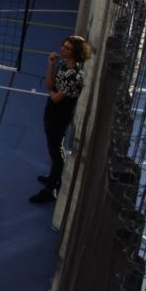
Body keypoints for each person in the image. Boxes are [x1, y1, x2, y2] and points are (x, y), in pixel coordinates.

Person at [30, 36, 92, 204]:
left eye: (67, 48)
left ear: (75, 53)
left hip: (60, 116)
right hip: (51, 111)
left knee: (56, 152)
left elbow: (56, 97)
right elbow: (50, 85)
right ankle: (53, 177)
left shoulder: (75, 76)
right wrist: (51, 64)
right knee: (53, 148)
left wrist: (52, 92)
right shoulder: (63, 64)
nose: (62, 49)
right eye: (63, 46)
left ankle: (51, 189)